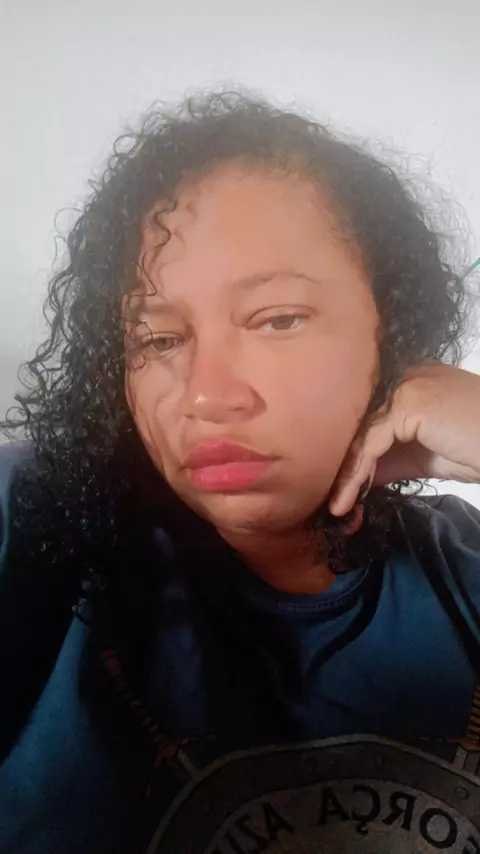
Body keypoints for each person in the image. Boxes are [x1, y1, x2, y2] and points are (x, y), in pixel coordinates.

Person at [1, 90, 480, 854]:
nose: (206, 396)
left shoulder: (464, 571)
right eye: (158, 340)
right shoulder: (35, 523)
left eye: (277, 319)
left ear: (389, 336)